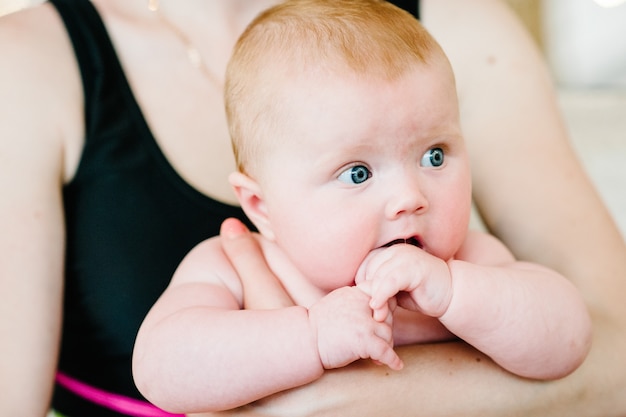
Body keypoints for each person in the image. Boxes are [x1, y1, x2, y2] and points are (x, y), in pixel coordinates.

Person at [0, 0, 624, 417]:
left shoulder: (469, 263)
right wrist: (311, 339)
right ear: (260, 206)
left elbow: (572, 337)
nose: (411, 196)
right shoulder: (228, 266)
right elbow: (162, 366)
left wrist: (459, 294)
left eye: (435, 155)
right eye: (357, 173)